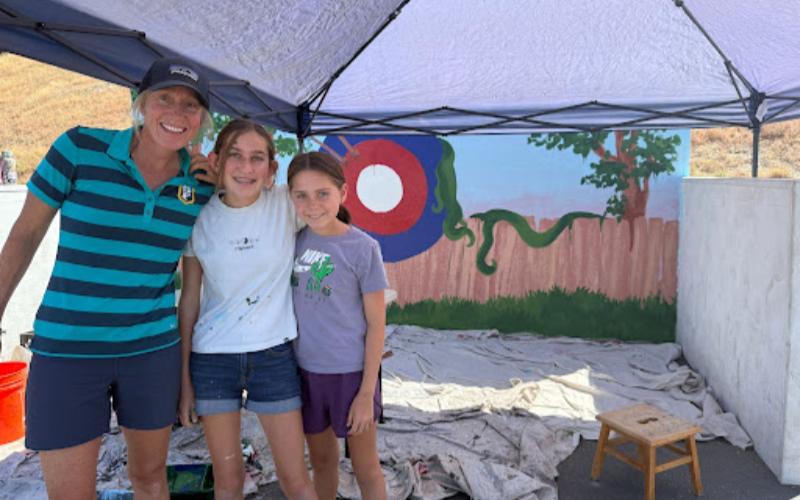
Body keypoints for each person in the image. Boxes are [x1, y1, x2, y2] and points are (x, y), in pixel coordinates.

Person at [0, 56, 216, 500]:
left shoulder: (199, 187)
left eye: (190, 106)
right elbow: (23, 238)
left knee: (151, 480)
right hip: (67, 353)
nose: (176, 114)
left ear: (202, 121)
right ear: (140, 103)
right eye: (164, 99)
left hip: (152, 353)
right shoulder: (78, 148)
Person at [177, 119, 317, 500]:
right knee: (228, 478)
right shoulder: (197, 217)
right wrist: (185, 378)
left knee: (295, 478)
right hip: (212, 359)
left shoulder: (287, 204)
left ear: (272, 170)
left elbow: (331, 199)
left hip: (273, 354)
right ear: (217, 160)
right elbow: (189, 299)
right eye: (235, 156)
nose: (245, 167)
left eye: (257, 159)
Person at [287, 152, 389, 500]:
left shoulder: (363, 248)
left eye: (322, 194)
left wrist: (365, 393)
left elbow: (377, 325)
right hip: (306, 374)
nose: (312, 204)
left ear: (343, 193)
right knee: (321, 461)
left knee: (365, 467)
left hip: (350, 375)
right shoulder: (296, 240)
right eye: (301, 195)